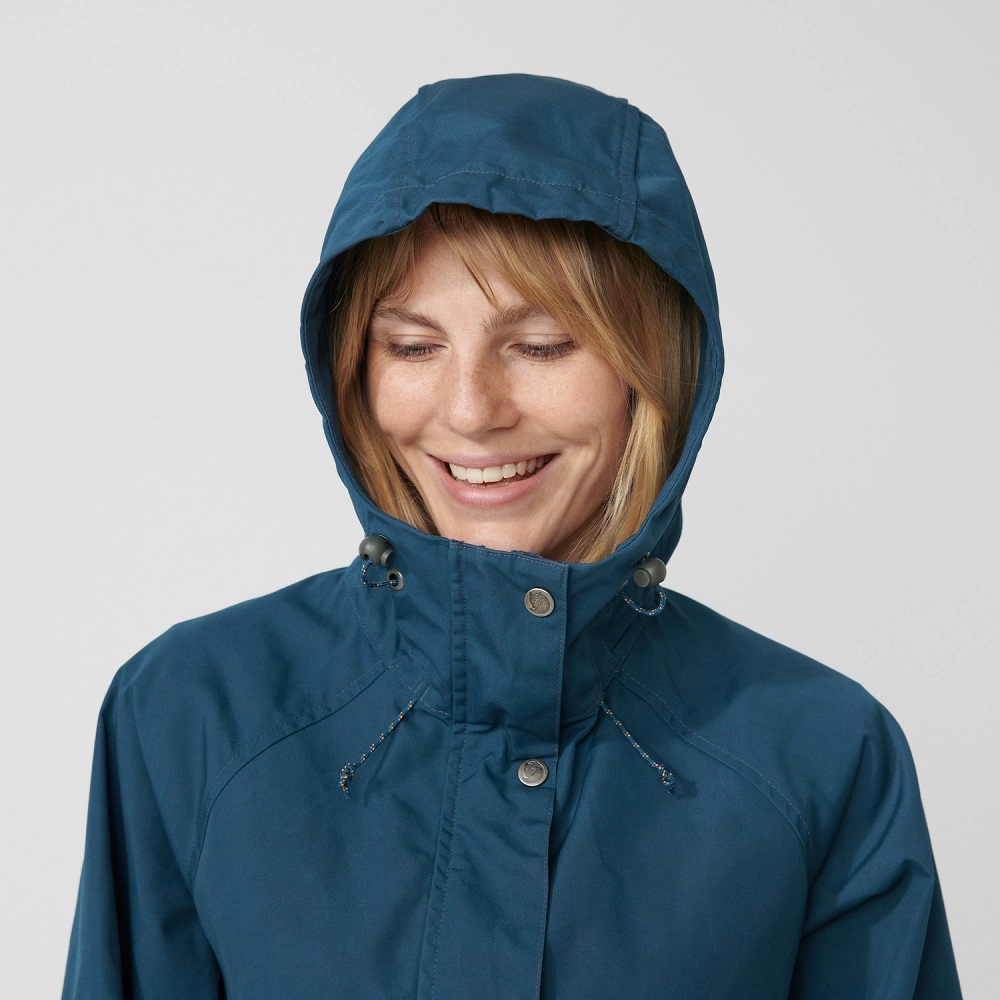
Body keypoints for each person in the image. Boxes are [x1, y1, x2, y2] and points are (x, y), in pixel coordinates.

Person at [63, 74, 962, 998]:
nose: (470, 411)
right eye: (412, 347)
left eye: (541, 346)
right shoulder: (192, 714)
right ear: (352, 372)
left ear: (655, 368)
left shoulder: (820, 754)